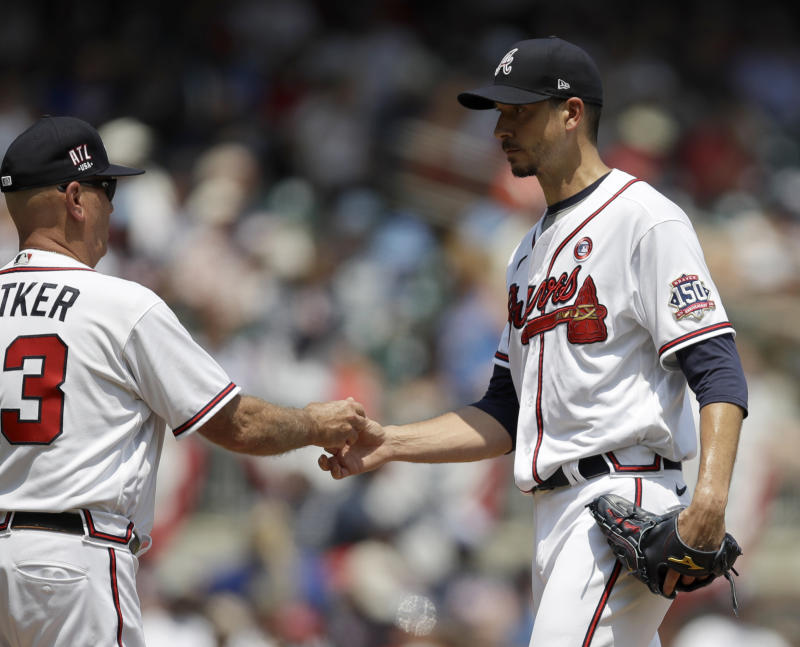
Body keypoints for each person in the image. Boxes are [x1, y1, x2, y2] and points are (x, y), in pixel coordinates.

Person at [320, 37, 747, 647]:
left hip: (623, 492)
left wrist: (710, 499)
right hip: (554, 511)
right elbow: (504, 411)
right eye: (499, 112)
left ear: (571, 114)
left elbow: (717, 369)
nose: (500, 127)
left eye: (519, 111)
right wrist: (392, 442)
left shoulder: (644, 219)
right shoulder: (528, 252)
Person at [0, 115, 368, 647]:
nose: (112, 206)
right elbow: (234, 425)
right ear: (75, 197)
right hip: (74, 563)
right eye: (106, 188)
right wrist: (314, 423)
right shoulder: (122, 305)